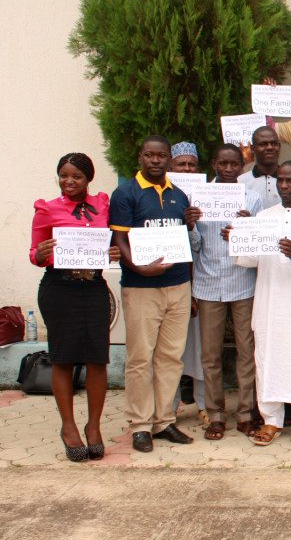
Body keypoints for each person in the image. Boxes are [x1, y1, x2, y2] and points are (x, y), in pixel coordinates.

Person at [109, 135, 201, 452]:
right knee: (139, 358)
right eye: (150, 155)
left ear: (168, 159)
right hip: (141, 287)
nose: (156, 161)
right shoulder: (125, 194)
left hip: (177, 284)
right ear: (140, 157)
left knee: (170, 358)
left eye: (161, 156)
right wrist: (139, 268)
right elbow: (118, 240)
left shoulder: (179, 195)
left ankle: (164, 421)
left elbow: (186, 244)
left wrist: (189, 290)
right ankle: (140, 425)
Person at [29, 153, 120, 461]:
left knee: (97, 358)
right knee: (63, 358)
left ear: (88, 179)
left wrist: (113, 253)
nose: (69, 181)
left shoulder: (103, 204)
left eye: (76, 177)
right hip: (59, 288)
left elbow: (111, 241)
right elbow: (35, 254)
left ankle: (93, 427)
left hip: (93, 287)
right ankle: (69, 428)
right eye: (63, 175)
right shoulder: (47, 209)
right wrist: (40, 252)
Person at [233, 162, 291, 447]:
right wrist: (238, 237)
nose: (284, 186)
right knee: (268, 358)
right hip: (269, 300)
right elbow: (249, 261)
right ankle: (271, 420)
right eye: (281, 181)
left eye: (290, 181)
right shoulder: (264, 216)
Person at [189, 144, 264, 441]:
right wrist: (192, 225)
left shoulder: (253, 198)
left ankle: (246, 413)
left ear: (243, 166)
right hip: (208, 283)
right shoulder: (200, 196)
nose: (229, 169)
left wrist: (244, 230)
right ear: (214, 164)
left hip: (243, 281)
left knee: (247, 351)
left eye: (235, 164)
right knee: (210, 354)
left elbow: (259, 245)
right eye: (223, 163)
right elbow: (195, 247)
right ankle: (216, 414)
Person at [168, 142, 207, 423]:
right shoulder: (164, 197)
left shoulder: (205, 197)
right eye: (181, 165)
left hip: (202, 281)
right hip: (170, 281)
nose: (187, 169)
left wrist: (192, 225)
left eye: (191, 165)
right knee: (171, 350)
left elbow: (201, 245)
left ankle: (205, 404)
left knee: (202, 348)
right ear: (172, 167)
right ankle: (167, 408)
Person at [239, 126, 282, 209]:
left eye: (273, 143)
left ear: (279, 146)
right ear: (253, 149)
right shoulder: (240, 182)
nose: (270, 147)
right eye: (263, 144)